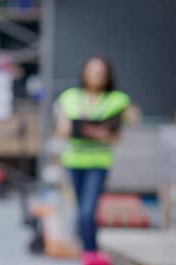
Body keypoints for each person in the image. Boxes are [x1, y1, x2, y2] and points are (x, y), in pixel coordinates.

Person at [56, 56, 131, 253]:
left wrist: (84, 129)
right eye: (92, 71)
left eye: (100, 72)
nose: (96, 76)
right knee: (82, 214)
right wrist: (97, 131)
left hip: (99, 163)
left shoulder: (116, 100)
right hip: (74, 161)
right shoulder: (70, 97)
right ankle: (89, 262)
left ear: (107, 76)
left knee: (88, 213)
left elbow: (116, 136)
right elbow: (63, 129)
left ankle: (91, 256)